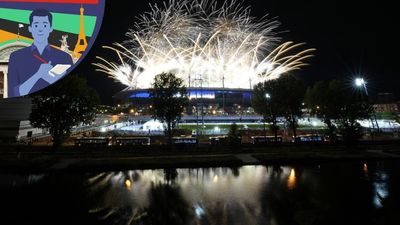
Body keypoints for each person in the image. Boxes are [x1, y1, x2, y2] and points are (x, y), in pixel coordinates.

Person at [8, 9, 73, 97]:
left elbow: (72, 91)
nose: (40, 29)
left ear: (51, 28)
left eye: (45, 25)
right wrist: (38, 75)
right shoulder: (16, 57)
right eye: (36, 25)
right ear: (30, 28)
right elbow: (13, 94)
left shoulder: (65, 58)